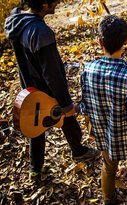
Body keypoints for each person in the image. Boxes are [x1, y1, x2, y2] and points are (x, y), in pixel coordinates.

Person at [4, 0, 100, 180]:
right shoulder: (40, 32)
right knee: (67, 117)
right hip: (47, 92)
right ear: (44, 4)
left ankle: (36, 169)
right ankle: (78, 151)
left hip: (30, 90)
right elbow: (52, 73)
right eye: (54, 1)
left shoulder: (15, 19)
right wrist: (65, 103)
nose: (57, 4)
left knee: (36, 126)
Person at [79, 15, 127, 205]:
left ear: (99, 42)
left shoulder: (87, 70)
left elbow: (85, 107)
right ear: (126, 42)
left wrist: (92, 131)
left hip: (106, 136)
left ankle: (108, 200)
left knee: (109, 168)